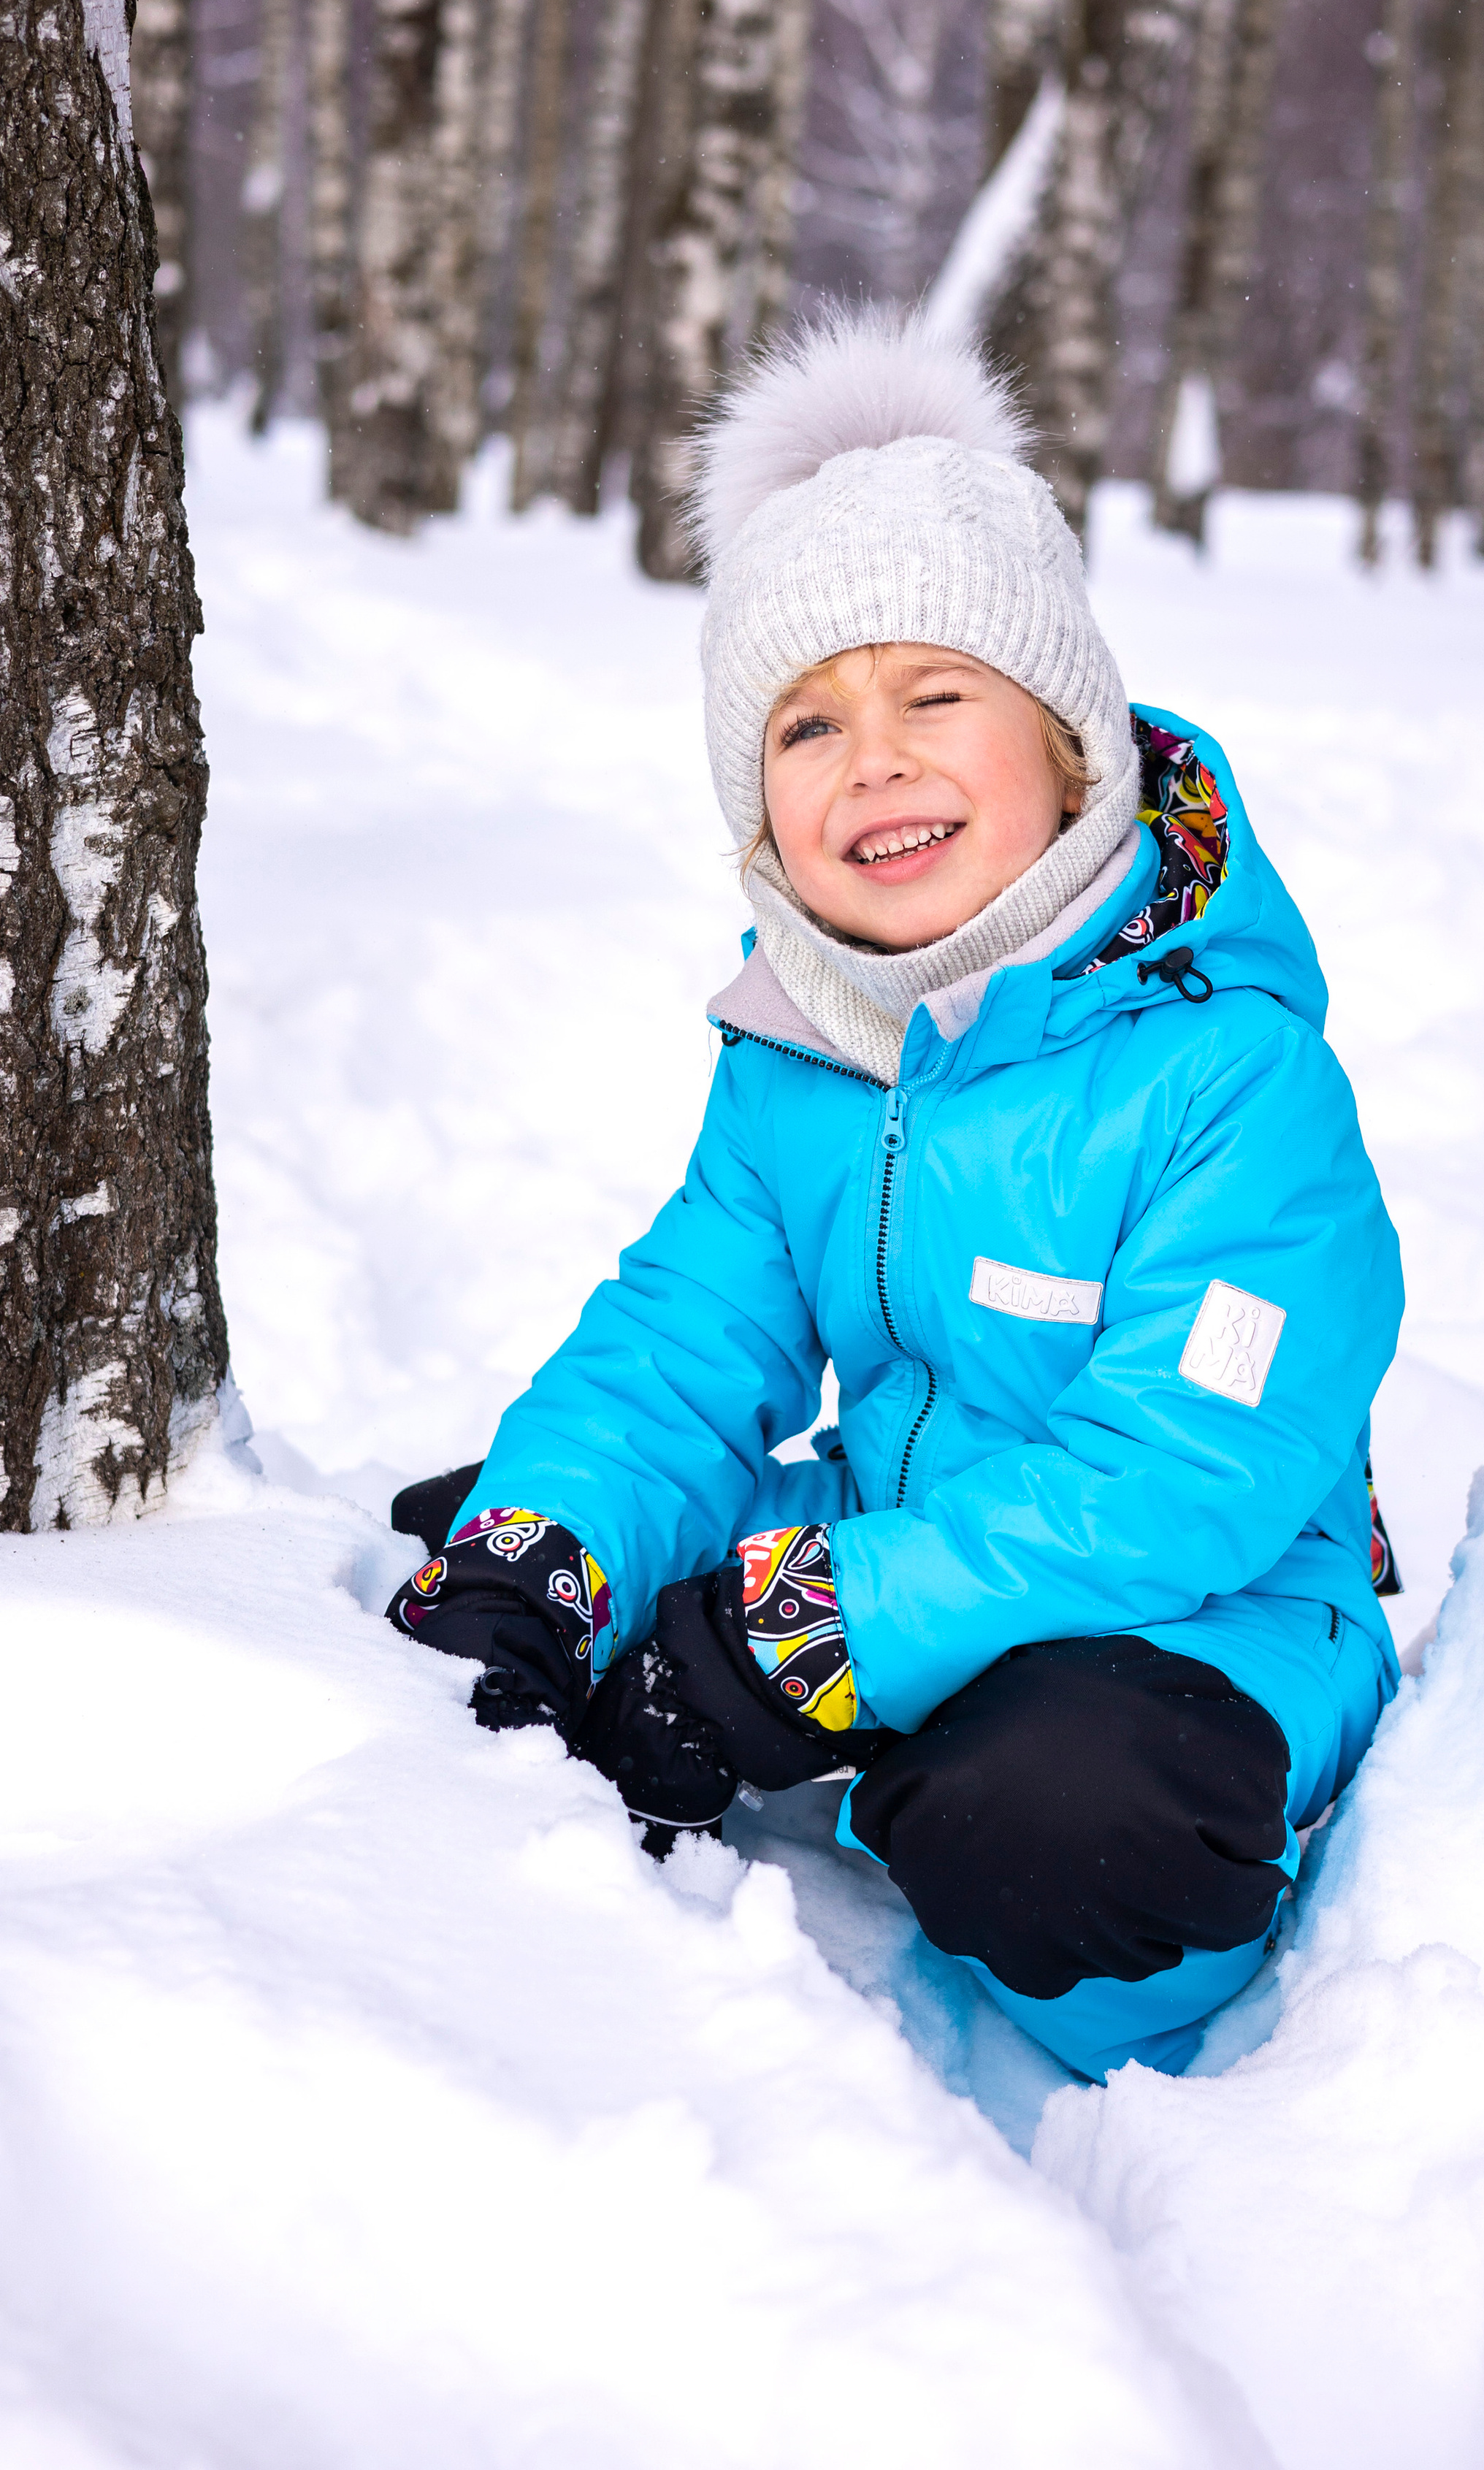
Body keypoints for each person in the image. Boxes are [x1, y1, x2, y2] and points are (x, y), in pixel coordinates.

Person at [386, 313, 1404, 2081]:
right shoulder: (800, 1048)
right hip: (900, 1552)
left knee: (1045, 1809)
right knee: (549, 1540)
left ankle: (1108, 1929)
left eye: (935, 695)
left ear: (1068, 750)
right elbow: (686, 1336)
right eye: (805, 726)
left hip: (1198, 1627)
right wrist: (549, 1553)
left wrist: (804, 1637)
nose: (873, 764)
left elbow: (1181, 1482)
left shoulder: (1230, 1076)